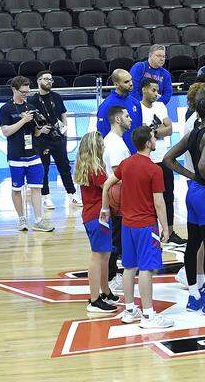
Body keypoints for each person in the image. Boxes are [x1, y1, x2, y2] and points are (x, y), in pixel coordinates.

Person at [162, 95, 205, 316]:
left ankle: (194, 295)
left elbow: (168, 158)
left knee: (193, 245)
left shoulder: (192, 134)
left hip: (192, 193)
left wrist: (190, 175)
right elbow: (204, 166)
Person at [102, 126, 173, 330]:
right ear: (148, 143)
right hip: (145, 225)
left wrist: (105, 208)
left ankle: (130, 310)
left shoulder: (126, 164)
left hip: (127, 225)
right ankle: (149, 315)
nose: (155, 139)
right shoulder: (154, 169)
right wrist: (165, 227)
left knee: (129, 268)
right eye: (153, 137)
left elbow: (107, 185)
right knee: (146, 269)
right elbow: (159, 203)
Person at [0, 76, 53, 232]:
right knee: (17, 189)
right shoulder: (5, 109)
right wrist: (23, 121)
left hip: (33, 154)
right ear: (14, 90)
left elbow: (35, 134)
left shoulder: (30, 107)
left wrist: (39, 128)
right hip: (16, 156)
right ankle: (21, 218)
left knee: (36, 188)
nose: (25, 94)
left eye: (27, 92)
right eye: (23, 92)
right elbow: (6, 131)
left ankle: (38, 220)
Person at [72, 131, 118, 315]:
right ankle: (94, 299)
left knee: (104, 255)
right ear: (95, 146)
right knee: (97, 256)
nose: (104, 146)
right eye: (101, 144)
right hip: (98, 216)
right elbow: (110, 187)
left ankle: (105, 291)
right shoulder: (96, 169)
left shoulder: (88, 165)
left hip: (94, 215)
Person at [138, 77, 181, 247]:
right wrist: (159, 131)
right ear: (144, 90)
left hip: (163, 159)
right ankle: (152, 233)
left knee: (168, 196)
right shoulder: (137, 107)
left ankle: (170, 232)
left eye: (158, 90)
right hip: (146, 160)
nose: (157, 94)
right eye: (153, 90)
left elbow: (170, 129)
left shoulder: (161, 106)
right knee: (149, 200)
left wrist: (153, 133)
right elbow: (140, 133)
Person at [30, 70, 78, 210]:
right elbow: (31, 121)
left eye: (51, 80)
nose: (49, 82)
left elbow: (63, 114)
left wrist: (65, 132)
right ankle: (46, 197)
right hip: (42, 140)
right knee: (43, 168)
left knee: (64, 166)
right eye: (46, 79)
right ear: (39, 81)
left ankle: (72, 193)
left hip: (58, 138)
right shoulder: (32, 100)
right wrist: (39, 130)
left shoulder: (56, 97)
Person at [101, 104, 135, 292]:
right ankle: (112, 277)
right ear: (118, 119)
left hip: (118, 198)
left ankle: (114, 275)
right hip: (116, 199)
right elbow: (118, 174)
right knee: (115, 241)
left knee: (118, 240)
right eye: (127, 116)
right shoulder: (114, 143)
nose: (131, 119)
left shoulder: (117, 140)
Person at [97, 69, 142, 153]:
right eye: (126, 82)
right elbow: (102, 133)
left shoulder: (135, 103)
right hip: (117, 154)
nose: (131, 84)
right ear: (117, 84)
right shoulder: (106, 106)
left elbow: (139, 129)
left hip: (135, 154)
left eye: (131, 80)